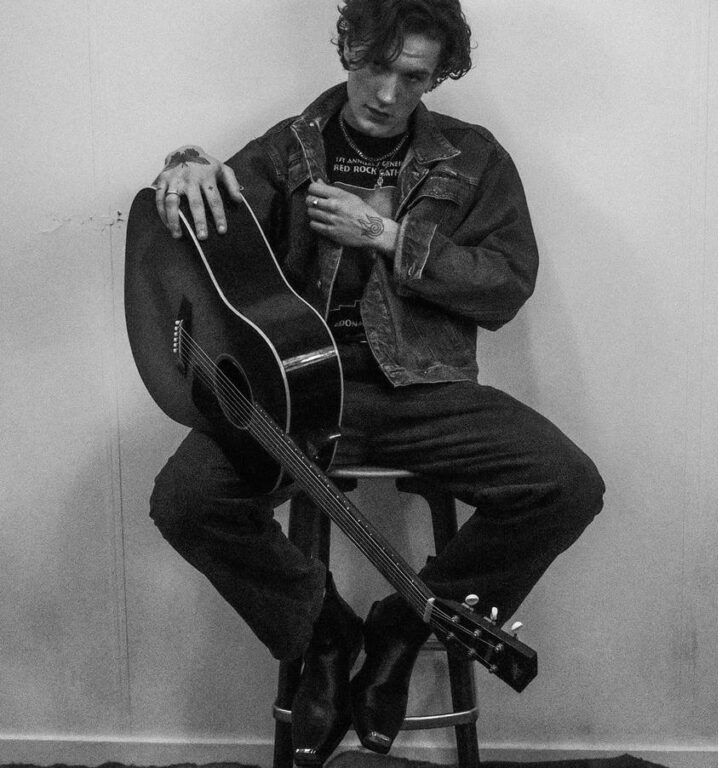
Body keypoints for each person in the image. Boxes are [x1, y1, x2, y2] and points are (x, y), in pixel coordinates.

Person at [146, 0, 605, 764]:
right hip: (296, 391)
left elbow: (504, 285)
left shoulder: (473, 157)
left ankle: (404, 626)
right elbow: (204, 223)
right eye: (375, 67)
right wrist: (184, 164)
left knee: (566, 484)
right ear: (349, 47)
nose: (389, 94)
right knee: (185, 500)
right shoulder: (290, 147)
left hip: (425, 387)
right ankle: (325, 632)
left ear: (439, 75)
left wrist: (391, 236)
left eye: (414, 77)